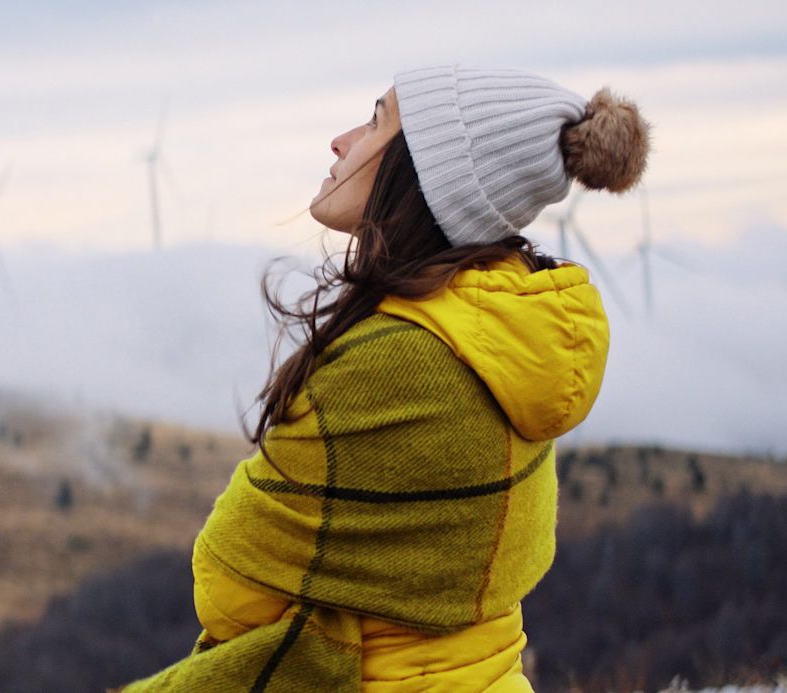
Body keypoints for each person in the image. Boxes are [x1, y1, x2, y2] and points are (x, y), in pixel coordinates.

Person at [121, 64, 650, 692]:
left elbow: (227, 588)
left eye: (375, 122)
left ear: (427, 174)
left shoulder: (394, 365)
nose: (340, 142)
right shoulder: (510, 329)